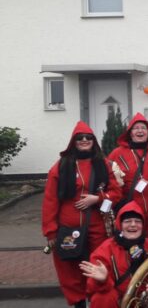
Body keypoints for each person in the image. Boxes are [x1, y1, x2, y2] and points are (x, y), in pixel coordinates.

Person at [42, 121, 122, 307]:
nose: (84, 140)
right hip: (67, 227)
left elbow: (116, 194)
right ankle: (78, 302)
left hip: (97, 226)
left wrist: (98, 199)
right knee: (70, 267)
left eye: (88, 138)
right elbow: (50, 200)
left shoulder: (104, 164)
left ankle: (97, 300)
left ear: (94, 141)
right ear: (73, 142)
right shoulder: (60, 166)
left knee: (98, 263)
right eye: (80, 138)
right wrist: (51, 231)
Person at [81, 201, 148, 307]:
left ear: (142, 225)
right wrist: (103, 281)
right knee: (102, 297)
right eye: (127, 221)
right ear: (120, 225)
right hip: (119, 301)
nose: (133, 225)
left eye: (137, 221)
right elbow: (90, 289)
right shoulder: (105, 249)